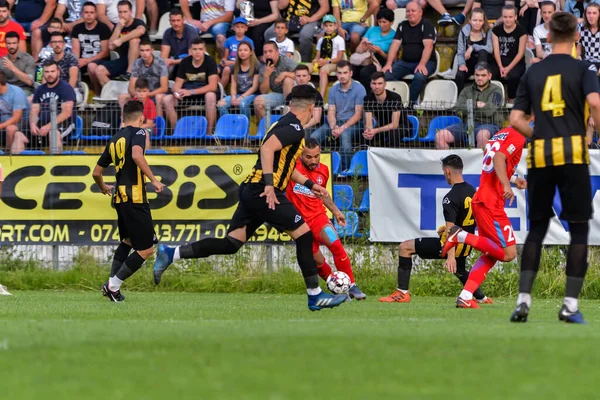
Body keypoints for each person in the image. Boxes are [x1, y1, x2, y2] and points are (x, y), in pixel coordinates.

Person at [153, 85, 349, 312]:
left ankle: (171, 253)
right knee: (304, 236)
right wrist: (268, 185)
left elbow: (281, 165)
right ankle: (315, 296)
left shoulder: (284, 123)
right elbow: (266, 150)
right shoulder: (294, 128)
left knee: (232, 243)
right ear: (312, 107)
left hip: (252, 189)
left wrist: (310, 184)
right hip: (264, 191)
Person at [509, 11, 600, 323]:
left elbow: (515, 120)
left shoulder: (533, 72)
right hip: (572, 154)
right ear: (577, 36)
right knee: (578, 229)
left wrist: (541, 136)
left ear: (547, 36)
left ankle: (522, 302)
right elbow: (596, 103)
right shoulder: (584, 67)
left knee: (536, 228)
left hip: (540, 156)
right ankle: (570, 306)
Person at [380, 154, 493, 304]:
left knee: (405, 247)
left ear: (447, 172)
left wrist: (450, 256)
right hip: (466, 245)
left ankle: (402, 293)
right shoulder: (472, 191)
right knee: (460, 270)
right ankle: (482, 298)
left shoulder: (450, 197)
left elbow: (451, 230)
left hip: (452, 245)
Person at [441, 126, 527, 308]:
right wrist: (506, 185)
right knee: (508, 254)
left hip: (482, 200)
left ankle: (465, 295)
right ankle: (461, 236)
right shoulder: (518, 136)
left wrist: (512, 179)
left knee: (492, 253)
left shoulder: (502, 132)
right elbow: (498, 158)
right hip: (491, 204)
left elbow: (493, 164)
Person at [93, 100, 165, 302]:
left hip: (119, 198)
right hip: (135, 197)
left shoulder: (115, 138)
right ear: (141, 117)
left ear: (122, 117)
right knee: (146, 249)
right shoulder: (140, 133)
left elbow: (96, 172)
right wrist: (153, 180)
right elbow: (137, 155)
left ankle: (111, 285)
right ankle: (112, 286)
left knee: (128, 241)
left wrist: (103, 187)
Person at [286, 138, 367, 300]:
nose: (313, 160)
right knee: (317, 259)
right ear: (301, 155)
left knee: (335, 244)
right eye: (308, 157)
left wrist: (336, 211)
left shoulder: (323, 170)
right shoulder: (291, 168)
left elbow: (322, 194)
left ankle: (351, 285)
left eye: (316, 156)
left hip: (318, 218)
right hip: (299, 223)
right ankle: (337, 287)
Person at [311, 60, 365, 171]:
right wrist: (333, 126)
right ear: (336, 74)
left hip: (355, 124)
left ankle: (346, 170)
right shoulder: (333, 90)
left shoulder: (359, 89)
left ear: (351, 73)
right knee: (314, 137)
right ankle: (316, 167)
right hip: (337, 123)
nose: (342, 76)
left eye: (345, 73)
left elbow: (358, 115)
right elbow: (331, 111)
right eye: (339, 73)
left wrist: (342, 128)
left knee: (345, 136)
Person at [436, 63, 503, 149]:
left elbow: (488, 111)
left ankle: (480, 162)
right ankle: (451, 162)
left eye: (483, 75)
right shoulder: (466, 91)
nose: (479, 78)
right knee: (440, 136)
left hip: (489, 124)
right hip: (467, 124)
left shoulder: (497, 90)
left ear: (489, 76)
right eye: (477, 75)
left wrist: (468, 108)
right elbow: (458, 110)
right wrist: (475, 105)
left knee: (482, 136)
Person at [382, 1, 437, 104]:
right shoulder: (402, 25)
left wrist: (422, 64)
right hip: (405, 62)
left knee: (419, 77)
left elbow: (429, 46)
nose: (410, 13)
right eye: (408, 11)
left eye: (413, 11)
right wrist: (388, 64)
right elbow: (394, 45)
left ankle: (409, 105)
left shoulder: (427, 24)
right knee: (386, 75)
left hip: (427, 62)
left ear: (420, 12)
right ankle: (404, 92)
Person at [161, 37, 219, 133]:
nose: (197, 52)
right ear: (190, 51)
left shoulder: (210, 61)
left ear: (204, 50)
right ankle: (177, 132)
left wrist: (191, 92)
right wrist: (176, 93)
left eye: (200, 49)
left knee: (211, 96)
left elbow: (213, 86)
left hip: (203, 93)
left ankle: (209, 133)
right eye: (195, 49)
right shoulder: (185, 62)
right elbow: (177, 85)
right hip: (187, 93)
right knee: (167, 99)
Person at [87, 0, 146, 93]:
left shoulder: (137, 22)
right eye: (120, 12)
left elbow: (141, 31)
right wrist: (118, 28)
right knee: (98, 69)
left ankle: (129, 73)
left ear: (131, 12)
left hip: (139, 61)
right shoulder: (118, 26)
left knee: (134, 40)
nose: (122, 15)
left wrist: (121, 39)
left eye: (125, 12)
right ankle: (114, 94)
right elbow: (111, 47)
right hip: (123, 60)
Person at [21, 60, 76, 154]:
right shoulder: (40, 89)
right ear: (43, 73)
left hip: (64, 123)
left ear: (58, 72)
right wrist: (33, 124)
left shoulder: (66, 88)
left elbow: (67, 113)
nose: (49, 74)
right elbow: (34, 110)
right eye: (47, 72)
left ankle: (56, 166)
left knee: (53, 133)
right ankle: (16, 164)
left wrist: (48, 126)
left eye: (52, 71)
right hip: (43, 123)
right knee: (19, 135)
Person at [263, 0, 330, 63]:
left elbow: (325, 8)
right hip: (290, 19)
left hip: (311, 19)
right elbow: (281, 6)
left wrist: (310, 19)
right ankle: (272, 63)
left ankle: (304, 65)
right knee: (269, 33)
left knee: (305, 35)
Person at [118, 39, 168, 114]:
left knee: (159, 98)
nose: (145, 53)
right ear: (139, 51)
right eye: (142, 50)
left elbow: (164, 88)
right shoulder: (137, 63)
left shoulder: (161, 63)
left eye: (147, 50)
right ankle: (125, 122)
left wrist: (148, 95)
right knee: (122, 97)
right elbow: (131, 87)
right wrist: (138, 95)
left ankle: (158, 124)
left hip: (155, 93)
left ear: (152, 50)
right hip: (141, 93)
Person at [353, 8, 396, 94]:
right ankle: (355, 95)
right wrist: (363, 47)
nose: (381, 25)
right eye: (379, 22)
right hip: (366, 56)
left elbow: (393, 59)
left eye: (384, 22)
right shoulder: (372, 30)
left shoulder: (394, 35)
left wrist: (380, 51)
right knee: (352, 70)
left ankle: (368, 97)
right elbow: (358, 50)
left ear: (391, 22)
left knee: (364, 72)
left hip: (380, 59)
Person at [363, 71, 410, 147]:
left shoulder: (395, 97)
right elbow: (369, 123)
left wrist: (375, 130)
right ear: (370, 84)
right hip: (383, 128)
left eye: (380, 83)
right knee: (366, 136)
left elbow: (395, 125)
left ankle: (393, 158)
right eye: (374, 83)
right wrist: (369, 131)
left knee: (393, 134)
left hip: (402, 127)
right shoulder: (368, 98)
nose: (377, 87)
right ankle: (368, 158)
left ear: (385, 84)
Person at [492, 5, 527, 104]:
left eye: (510, 17)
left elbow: (520, 53)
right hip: (499, 61)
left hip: (516, 62)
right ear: (502, 17)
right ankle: (497, 98)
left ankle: (511, 99)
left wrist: (508, 68)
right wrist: (500, 66)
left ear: (515, 17)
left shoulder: (522, 31)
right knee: (492, 73)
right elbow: (496, 51)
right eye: (505, 17)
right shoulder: (496, 30)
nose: (507, 20)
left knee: (514, 76)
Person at [254, 41, 297, 120]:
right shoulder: (263, 68)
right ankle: (269, 128)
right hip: (278, 95)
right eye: (265, 52)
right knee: (258, 101)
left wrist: (285, 74)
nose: (268, 54)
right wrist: (266, 75)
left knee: (287, 80)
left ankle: (288, 110)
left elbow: (301, 75)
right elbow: (264, 91)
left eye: (270, 51)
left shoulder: (286, 61)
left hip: (294, 96)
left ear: (277, 52)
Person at [217, 41, 259, 121]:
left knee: (243, 104)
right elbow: (233, 85)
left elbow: (255, 87)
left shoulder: (256, 66)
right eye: (240, 50)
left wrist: (241, 98)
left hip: (252, 95)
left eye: (245, 50)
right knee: (220, 104)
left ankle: (245, 129)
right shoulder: (234, 67)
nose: (242, 52)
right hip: (238, 94)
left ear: (250, 52)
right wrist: (233, 97)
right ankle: (229, 125)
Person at [455, 8, 494, 93]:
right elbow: (460, 52)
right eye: (475, 20)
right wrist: (462, 64)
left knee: (483, 52)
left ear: (484, 21)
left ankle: (481, 94)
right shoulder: (463, 32)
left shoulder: (488, 31)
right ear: (470, 20)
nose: (477, 23)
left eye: (480, 20)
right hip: (469, 62)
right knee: (459, 76)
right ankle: (461, 100)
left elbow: (490, 49)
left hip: (484, 63)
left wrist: (472, 47)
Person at [309, 14, 345, 98]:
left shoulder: (339, 40)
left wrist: (327, 61)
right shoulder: (321, 40)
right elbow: (317, 56)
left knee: (323, 70)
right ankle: (302, 93)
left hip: (334, 63)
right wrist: (315, 60)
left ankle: (320, 97)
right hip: (322, 61)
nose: (328, 28)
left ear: (335, 26)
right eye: (326, 26)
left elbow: (339, 58)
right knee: (305, 68)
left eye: (330, 25)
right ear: (323, 27)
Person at [41, 32, 82, 103]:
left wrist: (60, 94)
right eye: (54, 42)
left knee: (73, 99)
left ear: (64, 44)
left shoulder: (71, 58)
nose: (57, 45)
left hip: (71, 90)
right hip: (52, 90)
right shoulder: (47, 61)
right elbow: (44, 82)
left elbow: (72, 81)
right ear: (50, 45)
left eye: (60, 42)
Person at [160, 8, 199, 79]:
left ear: (183, 20)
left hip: (189, 59)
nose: (176, 23)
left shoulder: (191, 32)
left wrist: (173, 62)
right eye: (173, 21)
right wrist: (166, 62)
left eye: (178, 20)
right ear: (170, 22)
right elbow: (163, 56)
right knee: (162, 66)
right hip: (174, 59)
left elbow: (192, 57)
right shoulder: (168, 33)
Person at [71, 2, 111, 71]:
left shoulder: (103, 28)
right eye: (86, 12)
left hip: (99, 62)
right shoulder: (76, 29)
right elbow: (75, 52)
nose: (89, 15)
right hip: (82, 61)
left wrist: (87, 60)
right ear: (82, 14)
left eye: (91, 12)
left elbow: (105, 52)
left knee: (91, 66)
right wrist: (76, 63)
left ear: (96, 14)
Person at [286, 64, 324, 136]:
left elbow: (316, 119)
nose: (301, 78)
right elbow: (286, 115)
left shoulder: (316, 95)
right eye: (298, 76)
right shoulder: (290, 96)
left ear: (309, 77)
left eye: (304, 76)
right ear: (294, 77)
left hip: (313, 127)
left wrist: (302, 127)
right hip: (294, 126)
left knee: (303, 133)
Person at [220, 17, 254, 88]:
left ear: (246, 29)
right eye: (237, 27)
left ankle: (220, 91)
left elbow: (251, 58)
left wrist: (231, 63)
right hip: (229, 62)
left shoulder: (249, 41)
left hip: (242, 64)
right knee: (215, 70)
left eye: (242, 27)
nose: (239, 29)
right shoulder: (229, 40)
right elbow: (225, 57)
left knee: (226, 69)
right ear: (233, 28)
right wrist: (223, 61)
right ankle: (214, 87)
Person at [0, 71, 29, 154]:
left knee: (10, 128)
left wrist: (1, 126)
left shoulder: (16, 92)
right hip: (3, 120)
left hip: (20, 124)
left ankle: (8, 153)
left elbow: (16, 118)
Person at [0, 31, 35, 96]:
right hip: (7, 90)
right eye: (9, 43)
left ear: (18, 43)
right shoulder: (2, 60)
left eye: (14, 43)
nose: (11, 46)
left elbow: (30, 82)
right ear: (5, 44)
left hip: (24, 89)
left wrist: (12, 68)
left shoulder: (28, 59)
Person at [577, 3, 600, 70]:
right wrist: (578, 57)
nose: (591, 16)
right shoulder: (581, 27)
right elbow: (579, 46)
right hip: (587, 62)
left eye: (594, 13)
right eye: (589, 13)